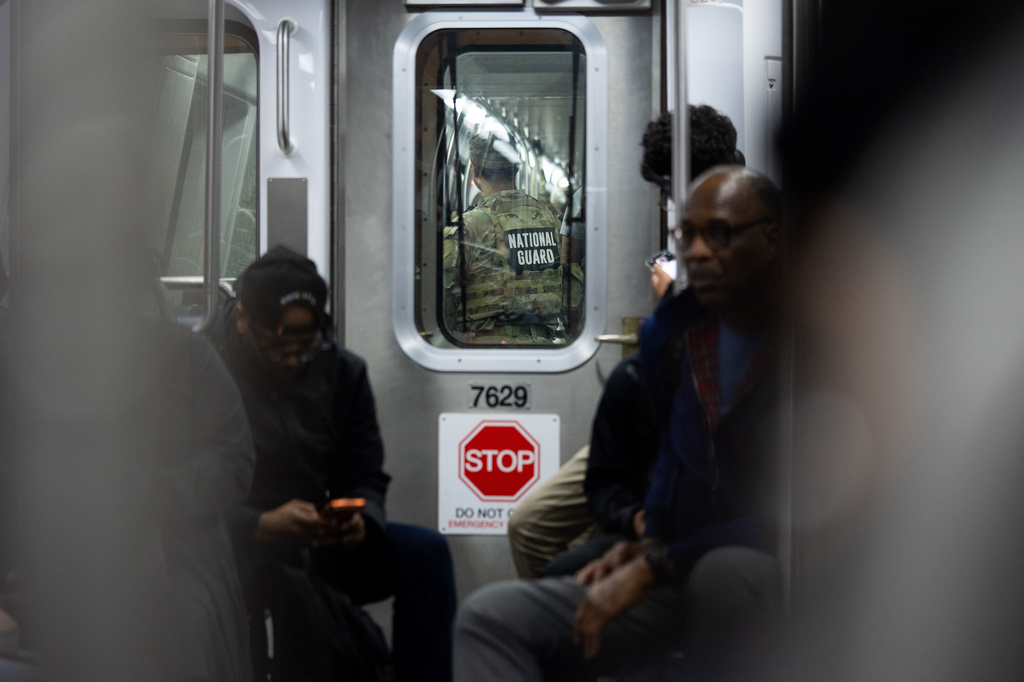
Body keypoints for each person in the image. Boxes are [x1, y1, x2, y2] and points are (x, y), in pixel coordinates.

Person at [454, 166, 784, 682]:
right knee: (488, 617)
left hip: (776, 571)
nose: (696, 253)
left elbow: (807, 519)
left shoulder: (814, 345)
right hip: (676, 561)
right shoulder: (673, 342)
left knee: (725, 575)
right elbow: (672, 471)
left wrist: (660, 562)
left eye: (717, 234)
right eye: (686, 236)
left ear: (772, 240)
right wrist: (649, 541)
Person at [507, 105, 743, 579]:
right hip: (651, 418)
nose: (666, 203)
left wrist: (675, 296)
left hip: (690, 432)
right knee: (530, 525)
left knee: (584, 551)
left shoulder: (745, 232)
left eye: (666, 190)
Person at [206, 245, 456, 682]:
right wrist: (255, 524)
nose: (291, 362)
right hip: (233, 541)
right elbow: (184, 490)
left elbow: (364, 473)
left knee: (426, 556)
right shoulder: (203, 372)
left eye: (305, 349)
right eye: (275, 349)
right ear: (243, 319)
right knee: (259, 584)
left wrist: (359, 518)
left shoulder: (340, 373)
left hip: (314, 533)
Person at [443, 134, 580, 344]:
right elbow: (570, 288)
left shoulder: (468, 226)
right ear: (516, 169)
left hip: (485, 351)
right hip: (544, 349)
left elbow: (440, 295)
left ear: (475, 170)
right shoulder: (550, 219)